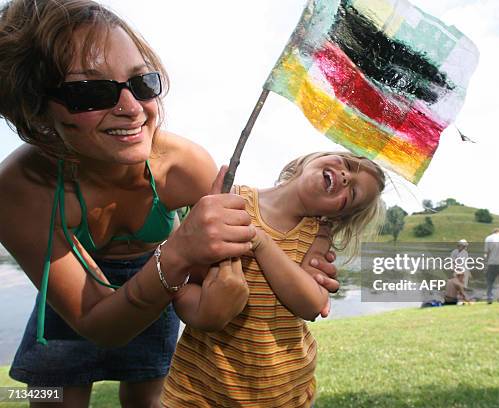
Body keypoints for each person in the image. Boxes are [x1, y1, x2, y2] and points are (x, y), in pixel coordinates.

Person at [0, 1, 338, 406]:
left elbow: (242, 245)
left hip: (163, 285)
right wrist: (177, 252)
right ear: (35, 109)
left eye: (141, 82)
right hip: (74, 297)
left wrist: (304, 254)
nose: (131, 109)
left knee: (147, 400)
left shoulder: (185, 166)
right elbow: (99, 324)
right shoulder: (20, 189)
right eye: (90, 92)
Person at [161, 152, 386, 407]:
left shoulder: (317, 236)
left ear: (336, 216)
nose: (346, 176)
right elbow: (186, 283)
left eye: (353, 192)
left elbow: (312, 305)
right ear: (305, 161)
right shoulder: (230, 201)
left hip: (280, 388)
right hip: (200, 385)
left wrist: (261, 242)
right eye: (346, 165)